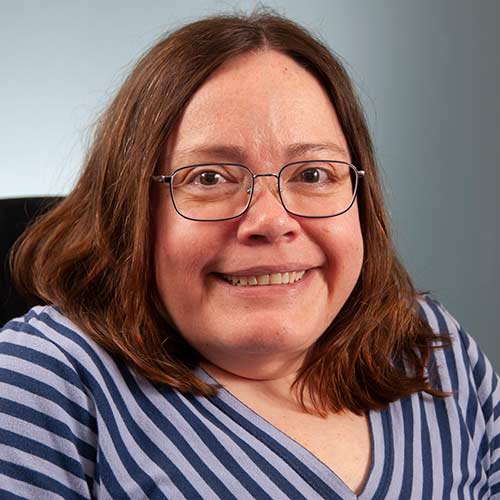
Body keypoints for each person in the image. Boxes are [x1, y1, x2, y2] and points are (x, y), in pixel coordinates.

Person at [0, 12, 498, 500]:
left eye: (313, 174)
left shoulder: (431, 347)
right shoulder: (43, 380)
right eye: (210, 178)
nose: (272, 221)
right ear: (131, 209)